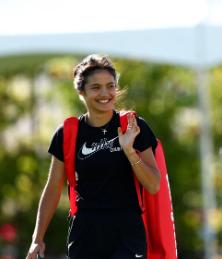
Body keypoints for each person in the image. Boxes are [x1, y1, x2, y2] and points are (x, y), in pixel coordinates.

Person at [26, 54, 161, 259]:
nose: (105, 93)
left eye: (110, 86)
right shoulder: (67, 133)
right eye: (96, 87)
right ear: (82, 92)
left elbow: (153, 185)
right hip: (85, 234)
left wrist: (130, 151)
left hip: (127, 232)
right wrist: (37, 238)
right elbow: (53, 188)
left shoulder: (134, 127)